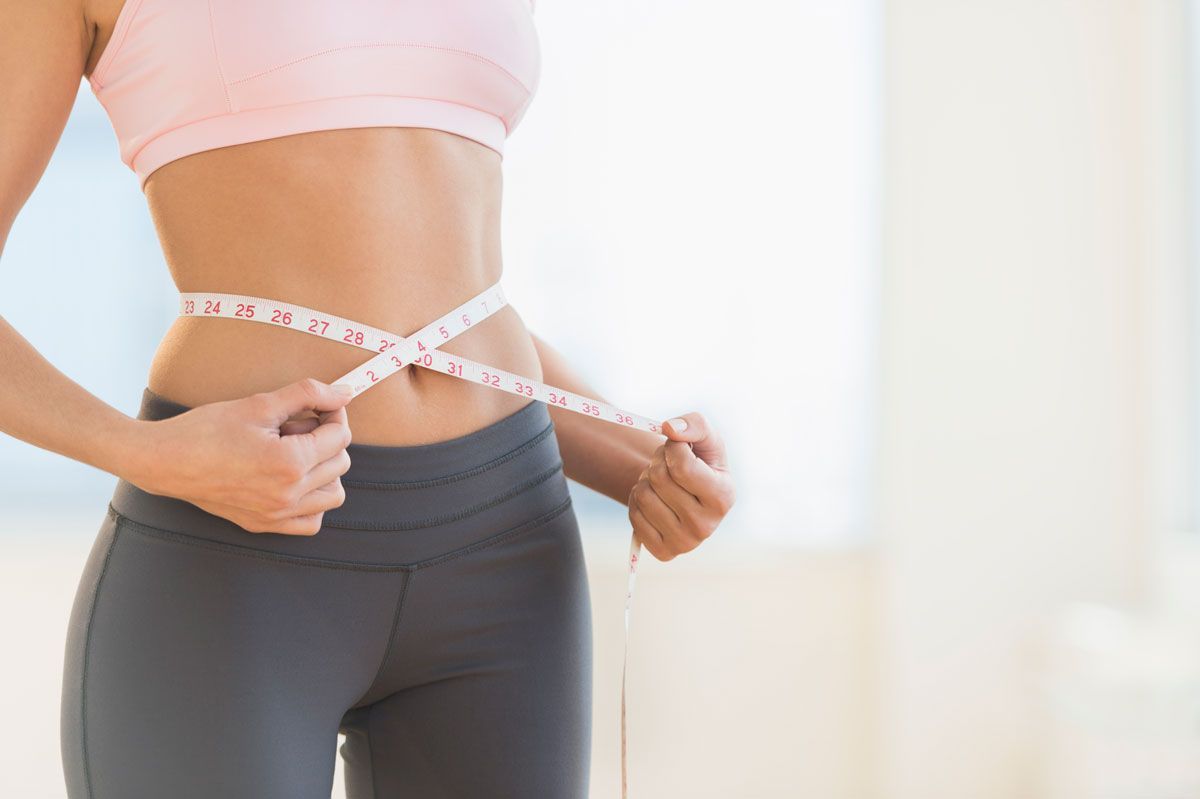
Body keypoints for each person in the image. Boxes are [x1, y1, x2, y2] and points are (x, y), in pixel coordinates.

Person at [1, 1, 736, 796]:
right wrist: (146, 454)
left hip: (508, 549)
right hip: (236, 554)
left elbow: (443, 306)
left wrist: (638, 467)